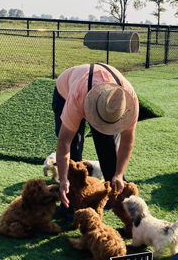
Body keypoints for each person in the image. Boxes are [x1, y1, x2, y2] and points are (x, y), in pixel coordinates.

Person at [52, 63, 139, 217]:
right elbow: (64, 142)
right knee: (73, 151)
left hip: (96, 91)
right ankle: (70, 203)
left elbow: (127, 141)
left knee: (108, 144)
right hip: (66, 91)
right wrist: (64, 178)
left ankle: (116, 195)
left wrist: (118, 174)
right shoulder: (77, 98)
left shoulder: (128, 101)